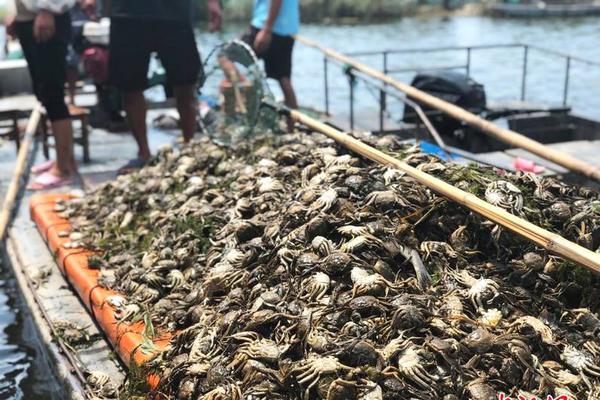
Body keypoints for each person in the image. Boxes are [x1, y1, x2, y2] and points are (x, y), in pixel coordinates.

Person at [105, 0, 223, 174]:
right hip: (127, 13)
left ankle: (188, 147)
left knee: (186, 84)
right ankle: (144, 153)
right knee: (129, 87)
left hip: (174, 12)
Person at [6, 0, 78, 190]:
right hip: (30, 17)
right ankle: (65, 160)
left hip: (47, 16)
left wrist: (47, 9)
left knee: (52, 92)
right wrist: (19, 15)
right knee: (44, 92)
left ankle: (63, 169)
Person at [244, 0, 299, 111]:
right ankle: (292, 125)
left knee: (226, 55)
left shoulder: (266, 29)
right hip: (286, 29)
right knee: (284, 78)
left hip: (266, 27)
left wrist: (267, 29)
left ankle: (243, 99)